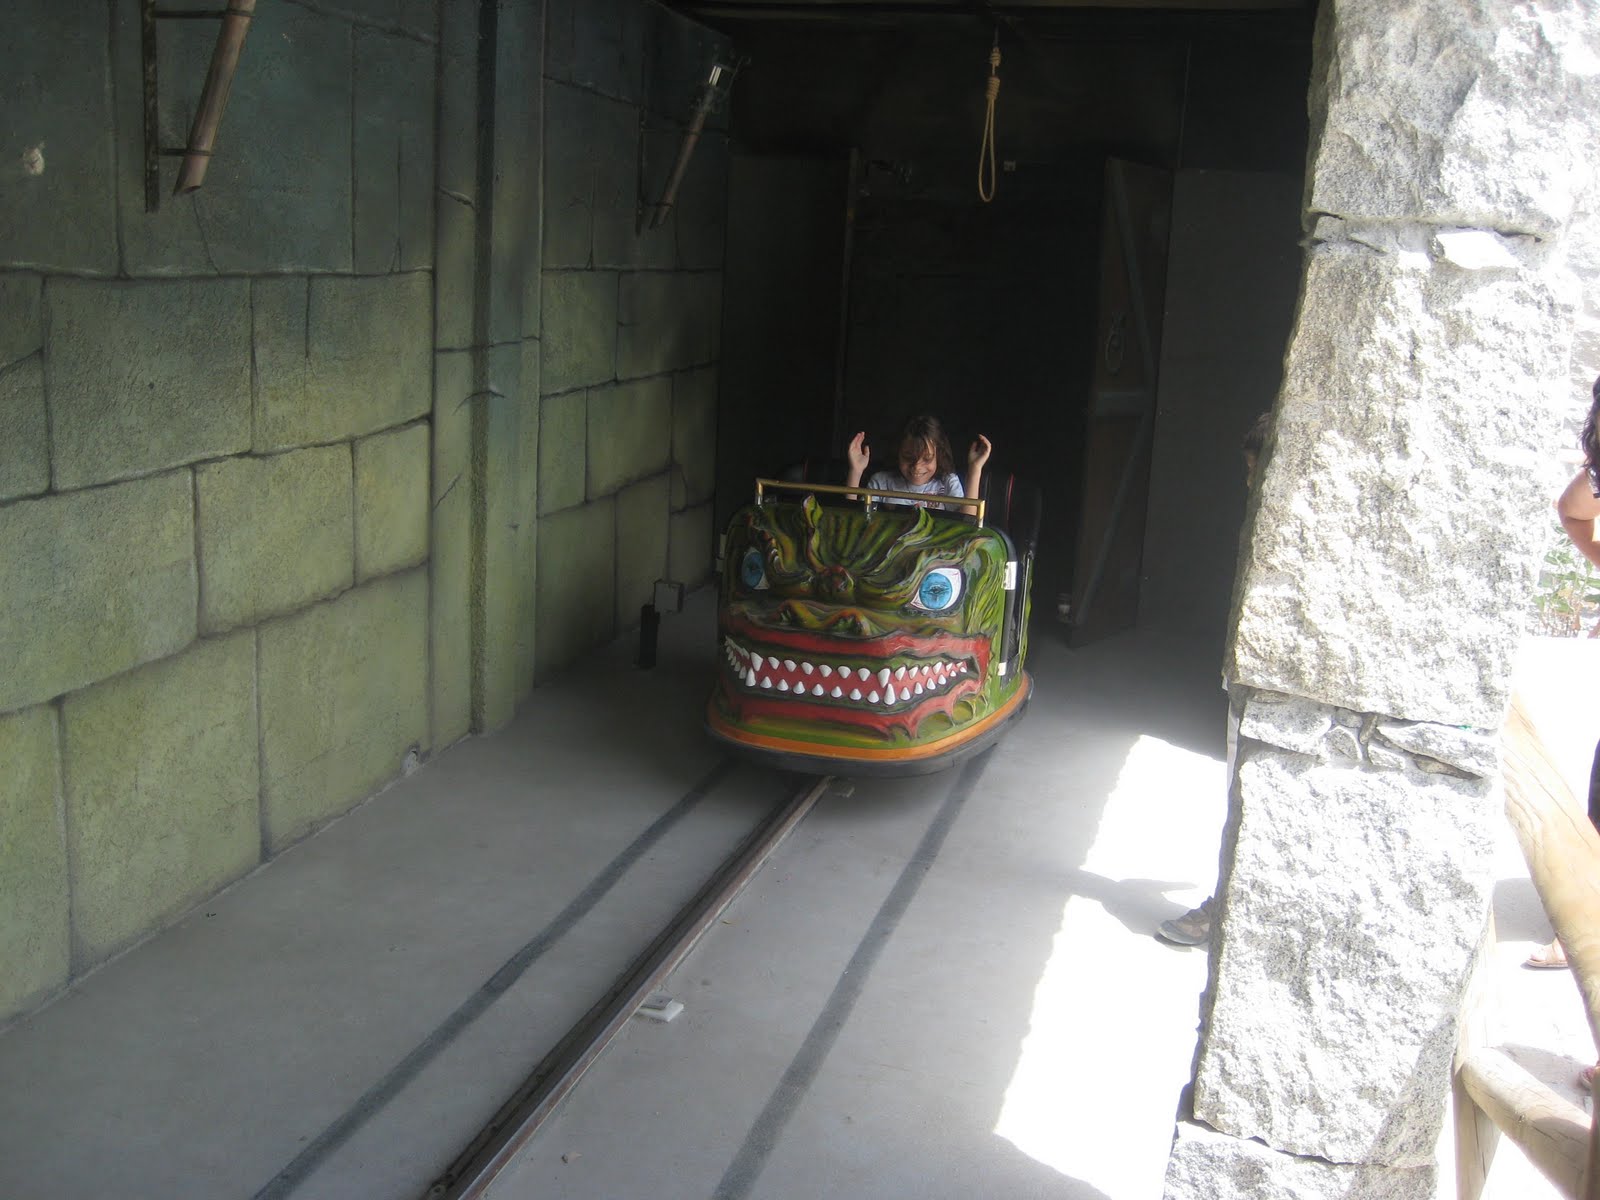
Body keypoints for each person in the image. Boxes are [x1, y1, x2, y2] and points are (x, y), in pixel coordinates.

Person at [1156, 410, 1272, 948]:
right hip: (1244, 675)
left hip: (1263, 681)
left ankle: (1225, 910)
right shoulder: (1260, 516)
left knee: (1247, 799)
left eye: (1253, 470)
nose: (1248, 482)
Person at [845, 415, 992, 511]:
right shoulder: (881, 482)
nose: (917, 467)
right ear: (897, 452)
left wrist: (975, 470)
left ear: (939, 455)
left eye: (927, 459)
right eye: (908, 457)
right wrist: (855, 471)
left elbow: (967, 524)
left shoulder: (947, 481)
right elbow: (853, 522)